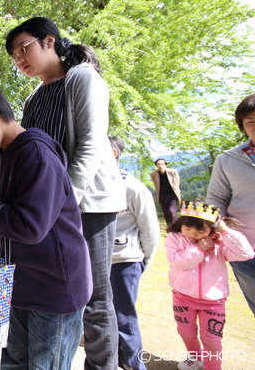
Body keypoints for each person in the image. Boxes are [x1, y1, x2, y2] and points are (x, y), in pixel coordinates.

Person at [0, 73, 92, 370]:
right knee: (14, 362)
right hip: (23, 283)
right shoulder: (2, 155)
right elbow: (9, 209)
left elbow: (29, 227)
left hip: (55, 288)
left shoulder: (36, 154)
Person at [6, 17, 126, 370]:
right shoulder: (33, 98)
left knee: (96, 297)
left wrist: (65, 199)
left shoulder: (83, 78)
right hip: (51, 210)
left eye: (23, 48)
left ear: (49, 42)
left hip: (88, 205)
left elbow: (91, 144)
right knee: (60, 292)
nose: (19, 58)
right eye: (14, 55)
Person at [166, 201, 253, 370]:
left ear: (212, 228)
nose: (193, 234)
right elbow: (178, 262)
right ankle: (196, 357)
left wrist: (226, 231)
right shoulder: (174, 238)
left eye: (200, 231)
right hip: (182, 297)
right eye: (188, 228)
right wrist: (199, 249)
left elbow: (247, 253)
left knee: (212, 340)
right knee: (185, 333)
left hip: (214, 302)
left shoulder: (219, 242)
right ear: (181, 223)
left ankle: (212, 367)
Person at [108, 136, 160, 370]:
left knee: (124, 317)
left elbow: (150, 229)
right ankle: (112, 360)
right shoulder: (88, 184)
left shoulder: (134, 188)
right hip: (95, 264)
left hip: (125, 263)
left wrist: (142, 262)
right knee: (101, 316)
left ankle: (133, 364)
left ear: (113, 153)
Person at [206, 93, 255, 317]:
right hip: (245, 250)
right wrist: (219, 225)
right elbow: (216, 199)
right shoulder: (227, 160)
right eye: (251, 121)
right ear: (242, 126)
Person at [150, 158, 181, 226]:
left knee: (171, 212)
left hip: (172, 195)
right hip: (162, 196)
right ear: (156, 166)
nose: (160, 166)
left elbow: (177, 183)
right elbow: (155, 183)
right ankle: (170, 228)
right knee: (166, 213)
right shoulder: (153, 174)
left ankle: (174, 228)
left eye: (162, 164)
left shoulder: (173, 172)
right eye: (158, 164)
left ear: (165, 165)